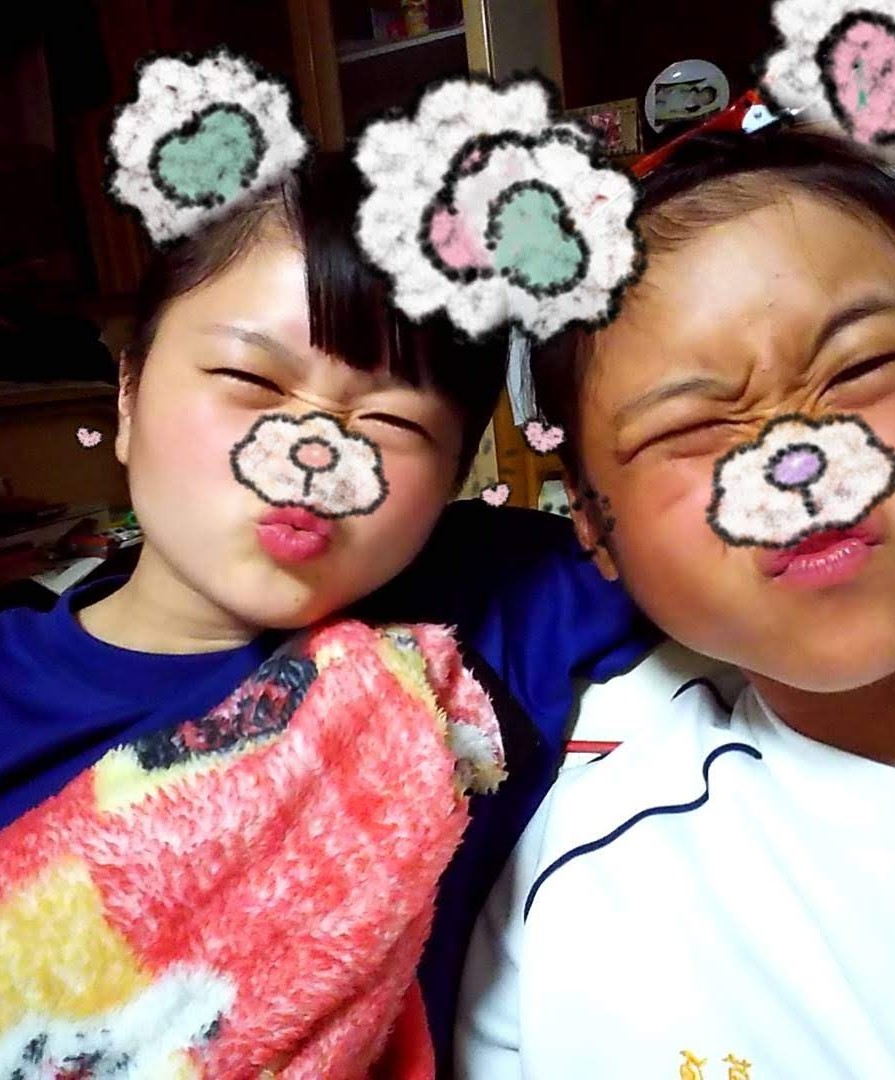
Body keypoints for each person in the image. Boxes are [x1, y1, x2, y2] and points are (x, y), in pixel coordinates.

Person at [0, 151, 656, 1072]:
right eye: (253, 381)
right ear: (129, 392)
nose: (312, 452)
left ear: (453, 476)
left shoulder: (495, 605)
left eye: (392, 424)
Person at [456, 128, 895, 1076]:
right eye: (691, 426)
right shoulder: (583, 891)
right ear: (591, 525)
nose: (798, 464)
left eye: (858, 368)